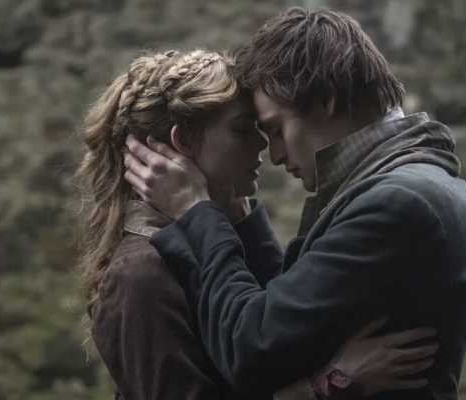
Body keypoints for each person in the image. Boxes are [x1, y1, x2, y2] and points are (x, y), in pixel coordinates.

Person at [123, 7, 466, 400]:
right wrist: (240, 217)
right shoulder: (410, 183)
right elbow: (292, 308)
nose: (274, 154)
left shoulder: (397, 203)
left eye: (277, 129)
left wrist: (195, 212)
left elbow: (250, 349)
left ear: (326, 100)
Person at [76, 49, 440, 400]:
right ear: (183, 141)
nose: (261, 146)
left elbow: (279, 338)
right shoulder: (139, 274)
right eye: (242, 129)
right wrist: (328, 385)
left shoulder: (216, 236)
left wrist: (233, 212)